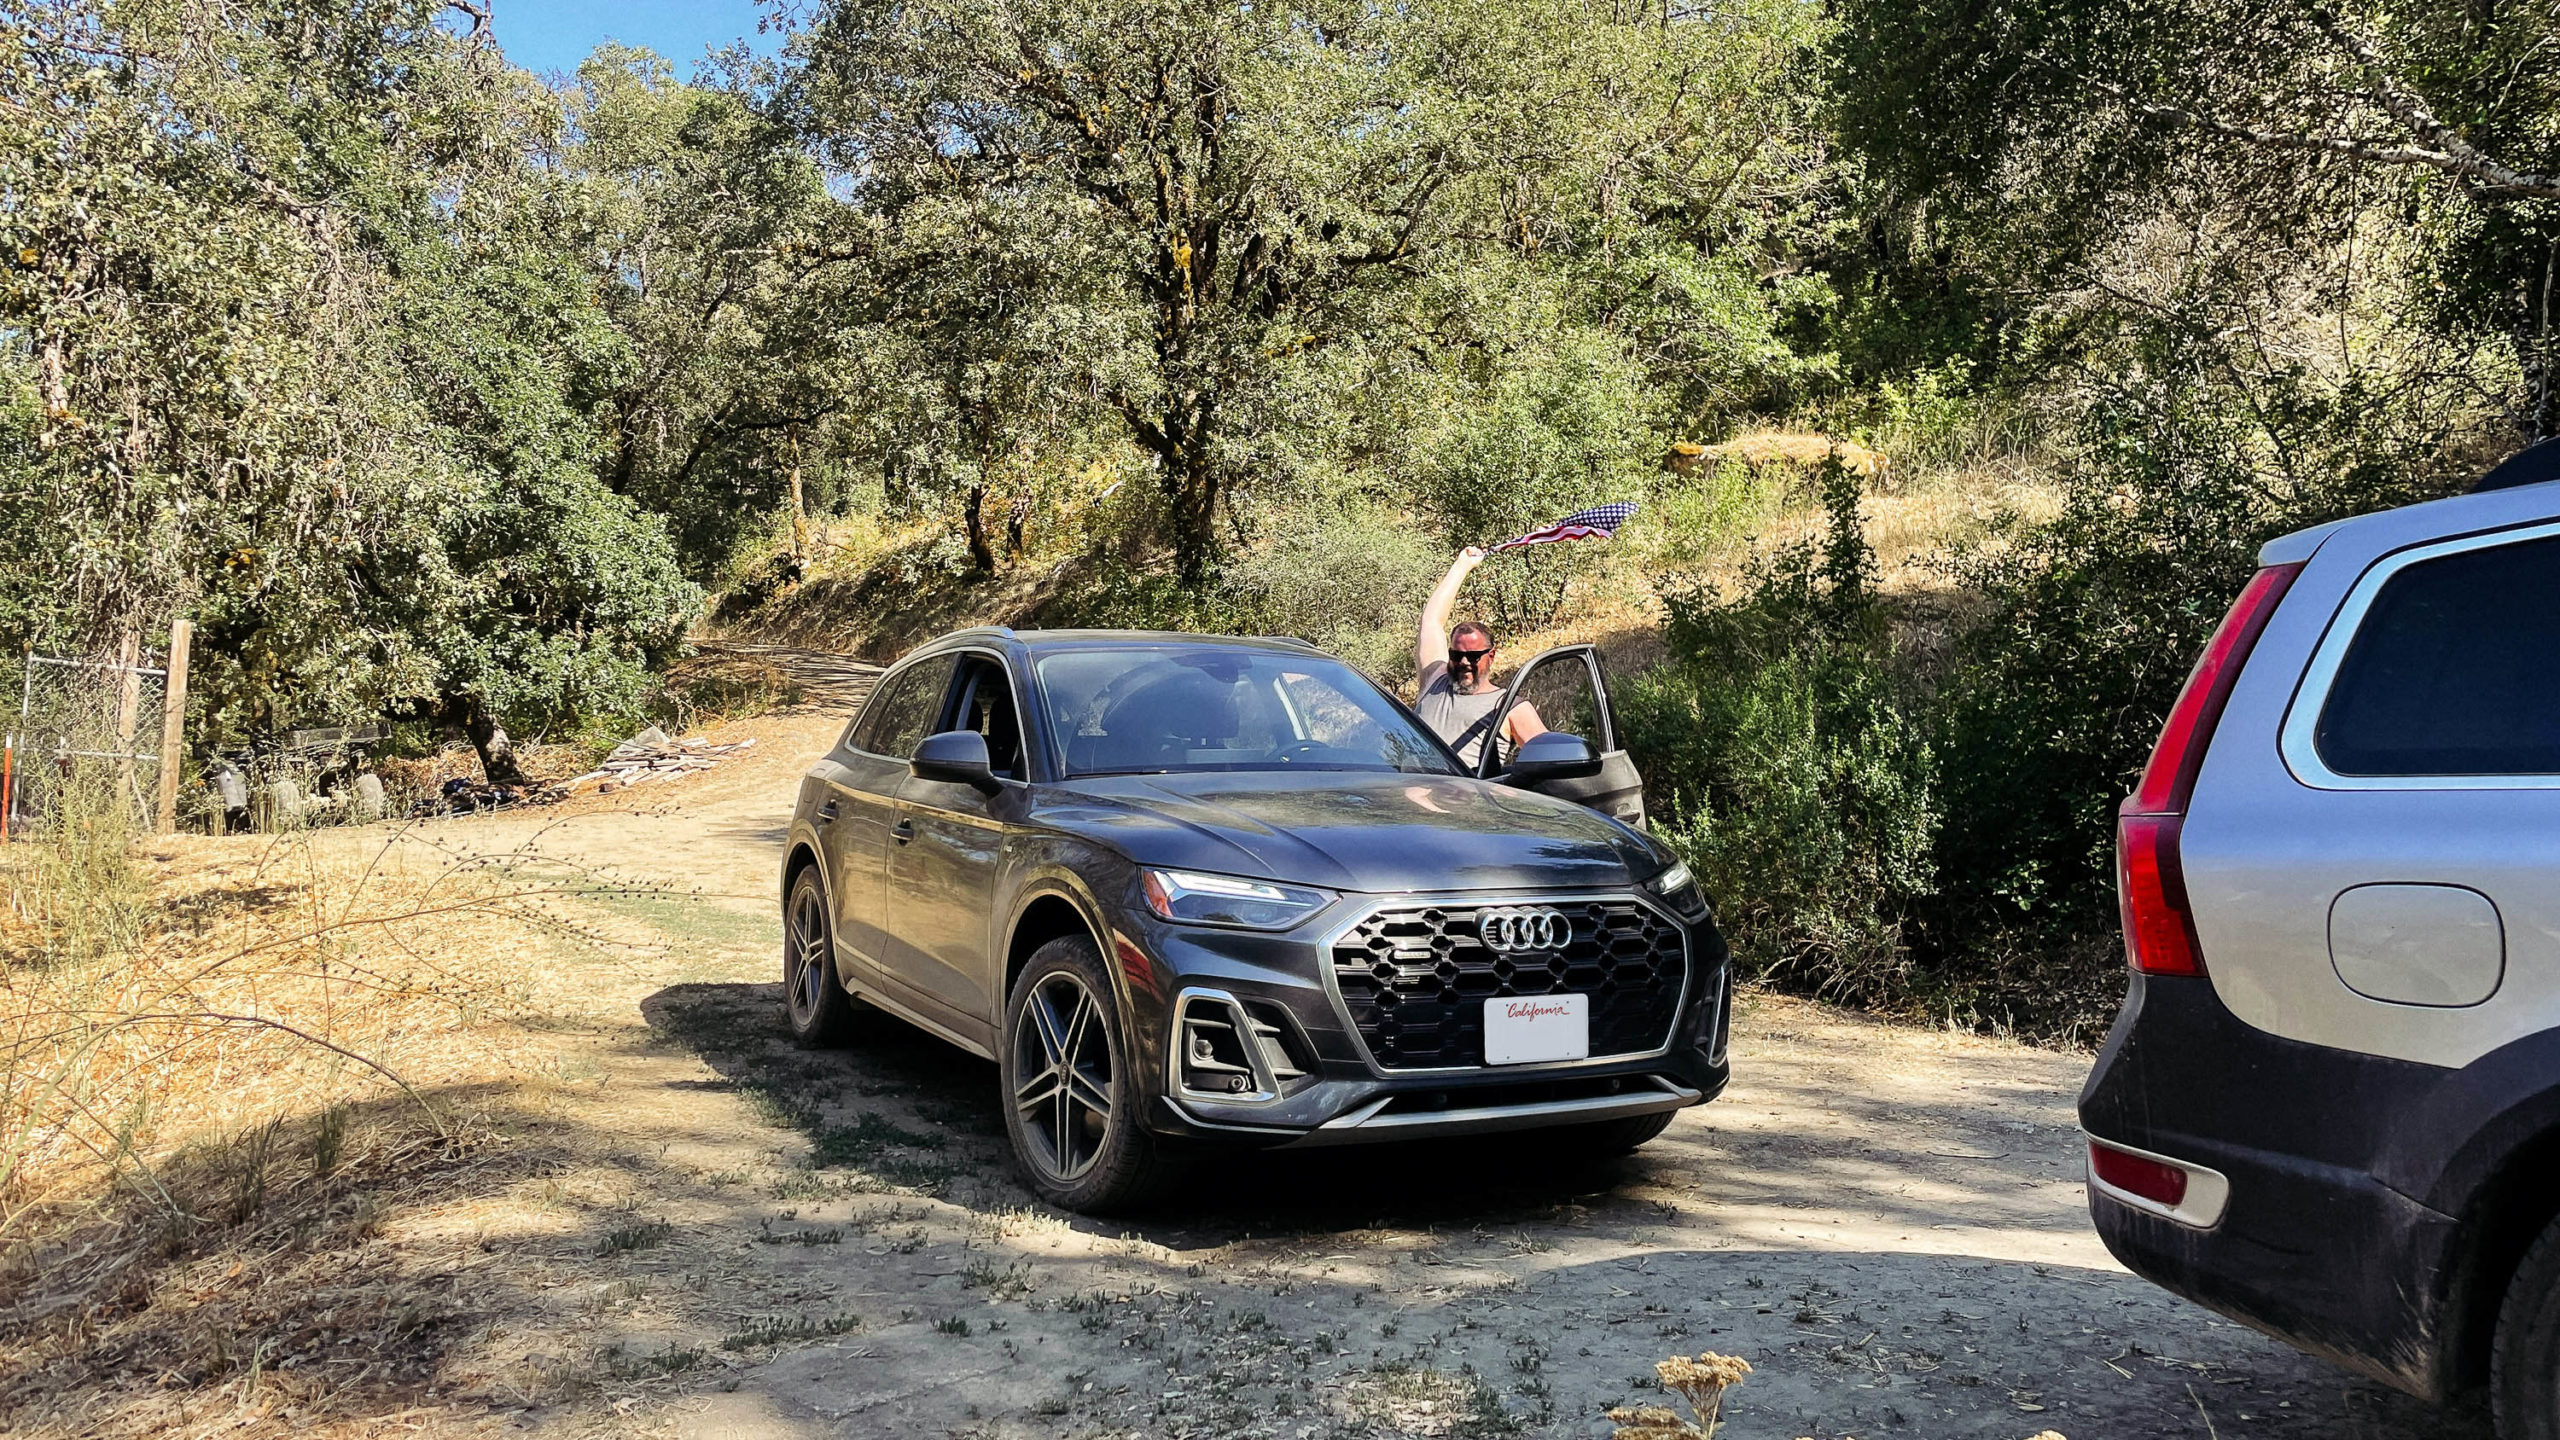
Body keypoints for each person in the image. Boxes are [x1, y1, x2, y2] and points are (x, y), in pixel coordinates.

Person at [1414, 547, 1546, 770]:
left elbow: (1552, 761)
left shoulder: (1508, 706)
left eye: (1473, 656)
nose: (1464, 662)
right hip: (1403, 796)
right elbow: (1431, 621)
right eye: (1457, 655)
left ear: (1490, 655)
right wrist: (1462, 565)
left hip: (1466, 801)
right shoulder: (1434, 680)